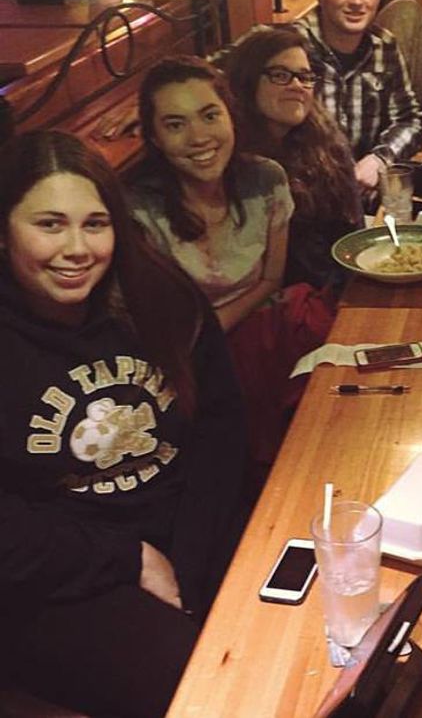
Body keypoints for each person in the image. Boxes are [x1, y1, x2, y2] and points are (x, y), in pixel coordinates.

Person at [0, 130, 244, 718]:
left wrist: (191, 560)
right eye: (50, 224)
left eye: (95, 224)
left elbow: (220, 432)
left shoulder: (158, 294)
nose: (77, 248)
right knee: (211, 690)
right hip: (58, 573)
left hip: (188, 529)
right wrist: (128, 558)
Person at [130, 57, 330, 470]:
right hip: (184, 364)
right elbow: (159, 330)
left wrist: (217, 332)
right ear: (154, 137)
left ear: (231, 116)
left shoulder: (266, 180)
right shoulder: (139, 211)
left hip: (255, 335)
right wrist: (208, 344)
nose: (199, 137)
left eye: (209, 115)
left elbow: (271, 279)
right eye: (175, 124)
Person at [223, 26, 361, 290]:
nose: (297, 86)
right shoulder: (238, 162)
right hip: (280, 304)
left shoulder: (328, 145)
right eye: (280, 75)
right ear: (247, 81)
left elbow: (353, 233)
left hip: (340, 291)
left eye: (305, 77)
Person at [295, 0, 422, 195]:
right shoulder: (289, 46)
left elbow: (410, 120)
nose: (357, 1)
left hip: (361, 199)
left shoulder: (384, 46)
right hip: (301, 202)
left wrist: (379, 159)